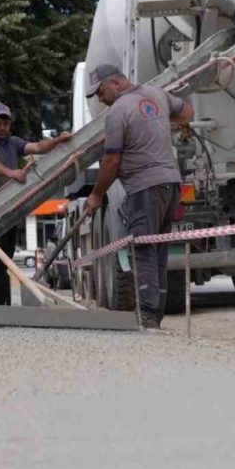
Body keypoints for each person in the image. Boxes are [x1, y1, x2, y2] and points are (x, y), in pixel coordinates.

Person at [83, 64, 194, 329]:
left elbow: (111, 161)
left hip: (145, 188)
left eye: (100, 92)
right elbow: (188, 112)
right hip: (171, 184)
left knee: (144, 252)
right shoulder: (156, 95)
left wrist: (96, 194)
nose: (100, 99)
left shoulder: (118, 112)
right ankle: (156, 315)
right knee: (159, 253)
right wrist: (158, 123)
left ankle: (147, 318)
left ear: (116, 84)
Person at [0, 102, 72, 306]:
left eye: (5, 123)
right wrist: (11, 172)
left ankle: (6, 306)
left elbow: (37, 147)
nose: (2, 127)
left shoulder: (14, 143)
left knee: (7, 260)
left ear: (10, 124)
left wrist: (57, 141)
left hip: (11, 212)